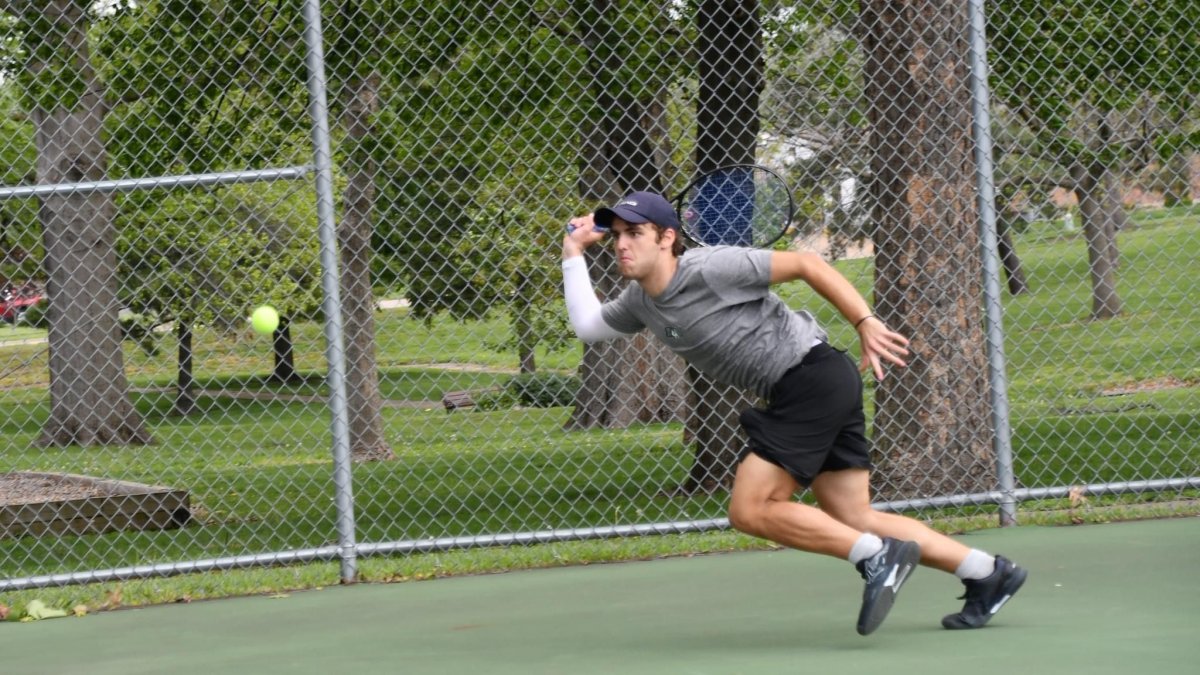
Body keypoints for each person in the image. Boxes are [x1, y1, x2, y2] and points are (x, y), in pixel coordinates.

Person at [562, 191, 1026, 635]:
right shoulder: (641, 303)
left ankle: (875, 558)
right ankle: (987, 573)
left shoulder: (711, 267)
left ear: (666, 237)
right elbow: (587, 325)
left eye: (634, 233)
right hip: (815, 383)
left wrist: (864, 321)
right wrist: (572, 250)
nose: (622, 244)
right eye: (617, 234)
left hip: (809, 378)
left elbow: (807, 263)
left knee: (750, 508)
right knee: (852, 513)